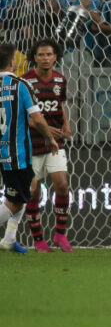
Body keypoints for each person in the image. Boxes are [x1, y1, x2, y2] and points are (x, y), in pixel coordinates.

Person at [0, 43, 58, 255]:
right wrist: (50, 137)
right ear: (13, 62)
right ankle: (8, 238)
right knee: (14, 202)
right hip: (16, 153)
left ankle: (9, 238)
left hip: (3, 149)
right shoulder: (20, 84)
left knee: (32, 186)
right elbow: (37, 118)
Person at [17, 39, 72, 253]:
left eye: (49, 54)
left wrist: (66, 125)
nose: (45, 58)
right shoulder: (25, 82)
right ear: (34, 57)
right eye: (41, 55)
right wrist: (46, 129)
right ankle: (38, 239)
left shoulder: (60, 80)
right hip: (31, 142)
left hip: (55, 142)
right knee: (34, 191)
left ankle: (60, 235)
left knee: (61, 184)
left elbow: (60, 104)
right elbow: (23, 115)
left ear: (55, 56)